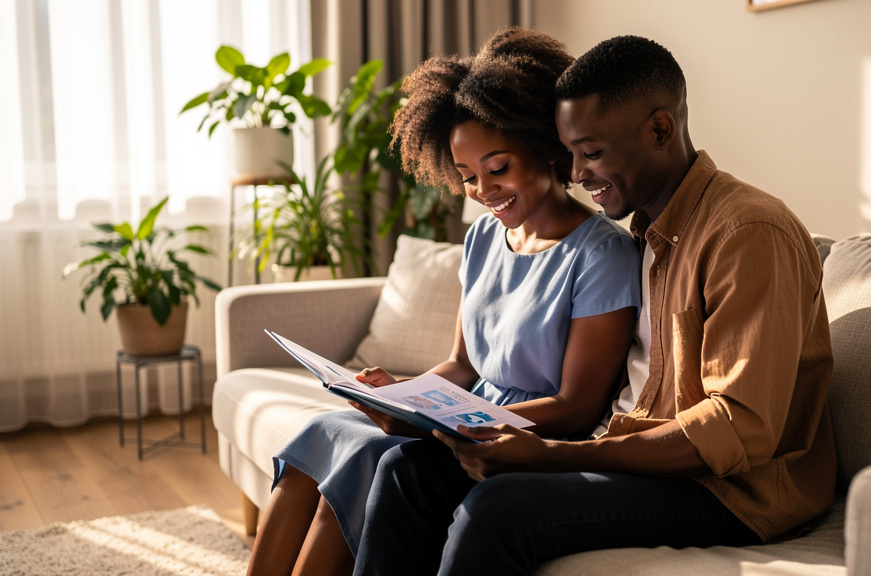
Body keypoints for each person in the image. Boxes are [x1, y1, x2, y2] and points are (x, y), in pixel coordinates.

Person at [353, 35, 837, 575]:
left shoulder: (745, 232)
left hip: (728, 490)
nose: (577, 174)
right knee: (408, 470)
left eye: (593, 152)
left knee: (496, 511)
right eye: (571, 153)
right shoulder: (649, 235)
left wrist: (559, 455)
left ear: (660, 129)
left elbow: (737, 429)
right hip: (633, 453)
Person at [245, 28, 642, 576]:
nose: (484, 191)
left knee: (363, 462)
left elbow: (577, 407)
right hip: (465, 418)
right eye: (467, 177)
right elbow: (461, 364)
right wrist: (402, 397)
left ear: (546, 146)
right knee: (319, 436)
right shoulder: (482, 238)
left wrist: (440, 425)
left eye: (498, 168)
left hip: (520, 438)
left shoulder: (603, 255)